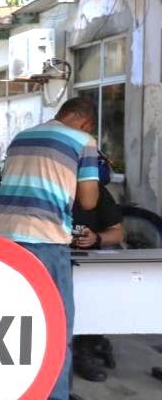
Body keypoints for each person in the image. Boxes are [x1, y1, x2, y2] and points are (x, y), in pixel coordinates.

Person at [0, 97, 100, 400]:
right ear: (85, 122)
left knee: (14, 321)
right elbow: (89, 201)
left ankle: (12, 397)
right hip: (45, 240)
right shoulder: (84, 140)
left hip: (4, 240)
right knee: (55, 324)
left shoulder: (21, 136)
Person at [71, 155, 125, 382]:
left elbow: (118, 233)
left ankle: (87, 348)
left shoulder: (100, 194)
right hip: (55, 257)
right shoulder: (53, 192)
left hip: (90, 261)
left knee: (100, 292)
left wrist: (97, 238)